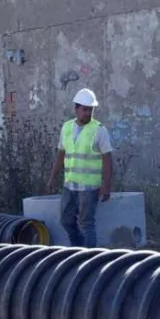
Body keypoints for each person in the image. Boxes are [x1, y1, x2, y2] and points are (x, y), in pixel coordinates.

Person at [46, 88, 113, 248]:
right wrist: (52, 179)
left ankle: (89, 258)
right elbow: (61, 155)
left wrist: (106, 186)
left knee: (86, 224)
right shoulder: (67, 128)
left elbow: (108, 160)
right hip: (70, 185)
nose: (88, 113)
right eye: (85, 109)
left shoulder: (99, 130)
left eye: (91, 109)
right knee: (66, 220)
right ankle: (77, 248)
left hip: (89, 188)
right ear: (76, 109)